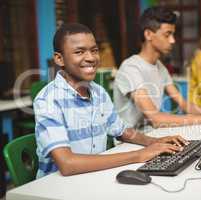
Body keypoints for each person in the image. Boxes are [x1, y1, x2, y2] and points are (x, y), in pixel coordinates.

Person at [34, 23, 188, 178]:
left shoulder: (98, 92)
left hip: (92, 176)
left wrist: (154, 141)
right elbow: (68, 164)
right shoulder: (48, 100)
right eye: (79, 52)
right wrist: (139, 155)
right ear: (59, 59)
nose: (90, 58)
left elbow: (122, 131)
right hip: (57, 187)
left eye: (94, 50)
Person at [114, 6, 201, 130]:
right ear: (148, 34)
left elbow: (184, 105)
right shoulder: (131, 68)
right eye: (167, 34)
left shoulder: (160, 67)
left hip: (152, 135)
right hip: (130, 141)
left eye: (173, 34)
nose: (172, 40)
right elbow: (155, 119)